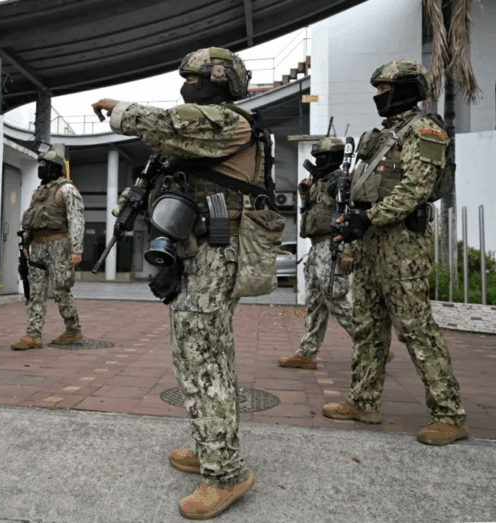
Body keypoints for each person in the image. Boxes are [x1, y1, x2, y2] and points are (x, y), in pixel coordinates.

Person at [92, 47, 279, 519]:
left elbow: (168, 123)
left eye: (194, 78)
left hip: (217, 254)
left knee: (204, 360)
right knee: (197, 356)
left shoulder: (228, 122)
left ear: (219, 79)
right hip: (195, 254)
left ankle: (226, 473)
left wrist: (119, 109)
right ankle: (210, 445)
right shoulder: (201, 134)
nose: (186, 85)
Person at [323, 59, 468, 446]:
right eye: (377, 89)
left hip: (401, 243)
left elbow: (415, 189)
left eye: (385, 88)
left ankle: (449, 413)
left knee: (416, 329)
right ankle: (363, 401)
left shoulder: (424, 130)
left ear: (406, 89)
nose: (378, 95)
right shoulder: (385, 135)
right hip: (371, 241)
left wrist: (368, 218)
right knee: (368, 325)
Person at [277, 137, 393, 370]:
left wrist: (347, 249)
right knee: (315, 302)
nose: (318, 161)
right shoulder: (319, 182)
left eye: (322, 157)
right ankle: (307, 353)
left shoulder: (342, 181)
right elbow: (311, 213)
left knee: (335, 298)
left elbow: (350, 211)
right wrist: (305, 194)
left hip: (332, 244)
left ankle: (374, 346)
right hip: (316, 246)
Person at [11, 150, 85, 350]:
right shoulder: (39, 192)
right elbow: (31, 219)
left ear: (55, 167)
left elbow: (76, 220)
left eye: (45, 164)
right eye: (40, 164)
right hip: (38, 246)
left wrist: (76, 249)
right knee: (35, 291)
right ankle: (33, 334)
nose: (41, 168)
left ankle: (73, 329)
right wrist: (26, 243)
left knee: (61, 290)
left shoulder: (67, 190)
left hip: (60, 244)